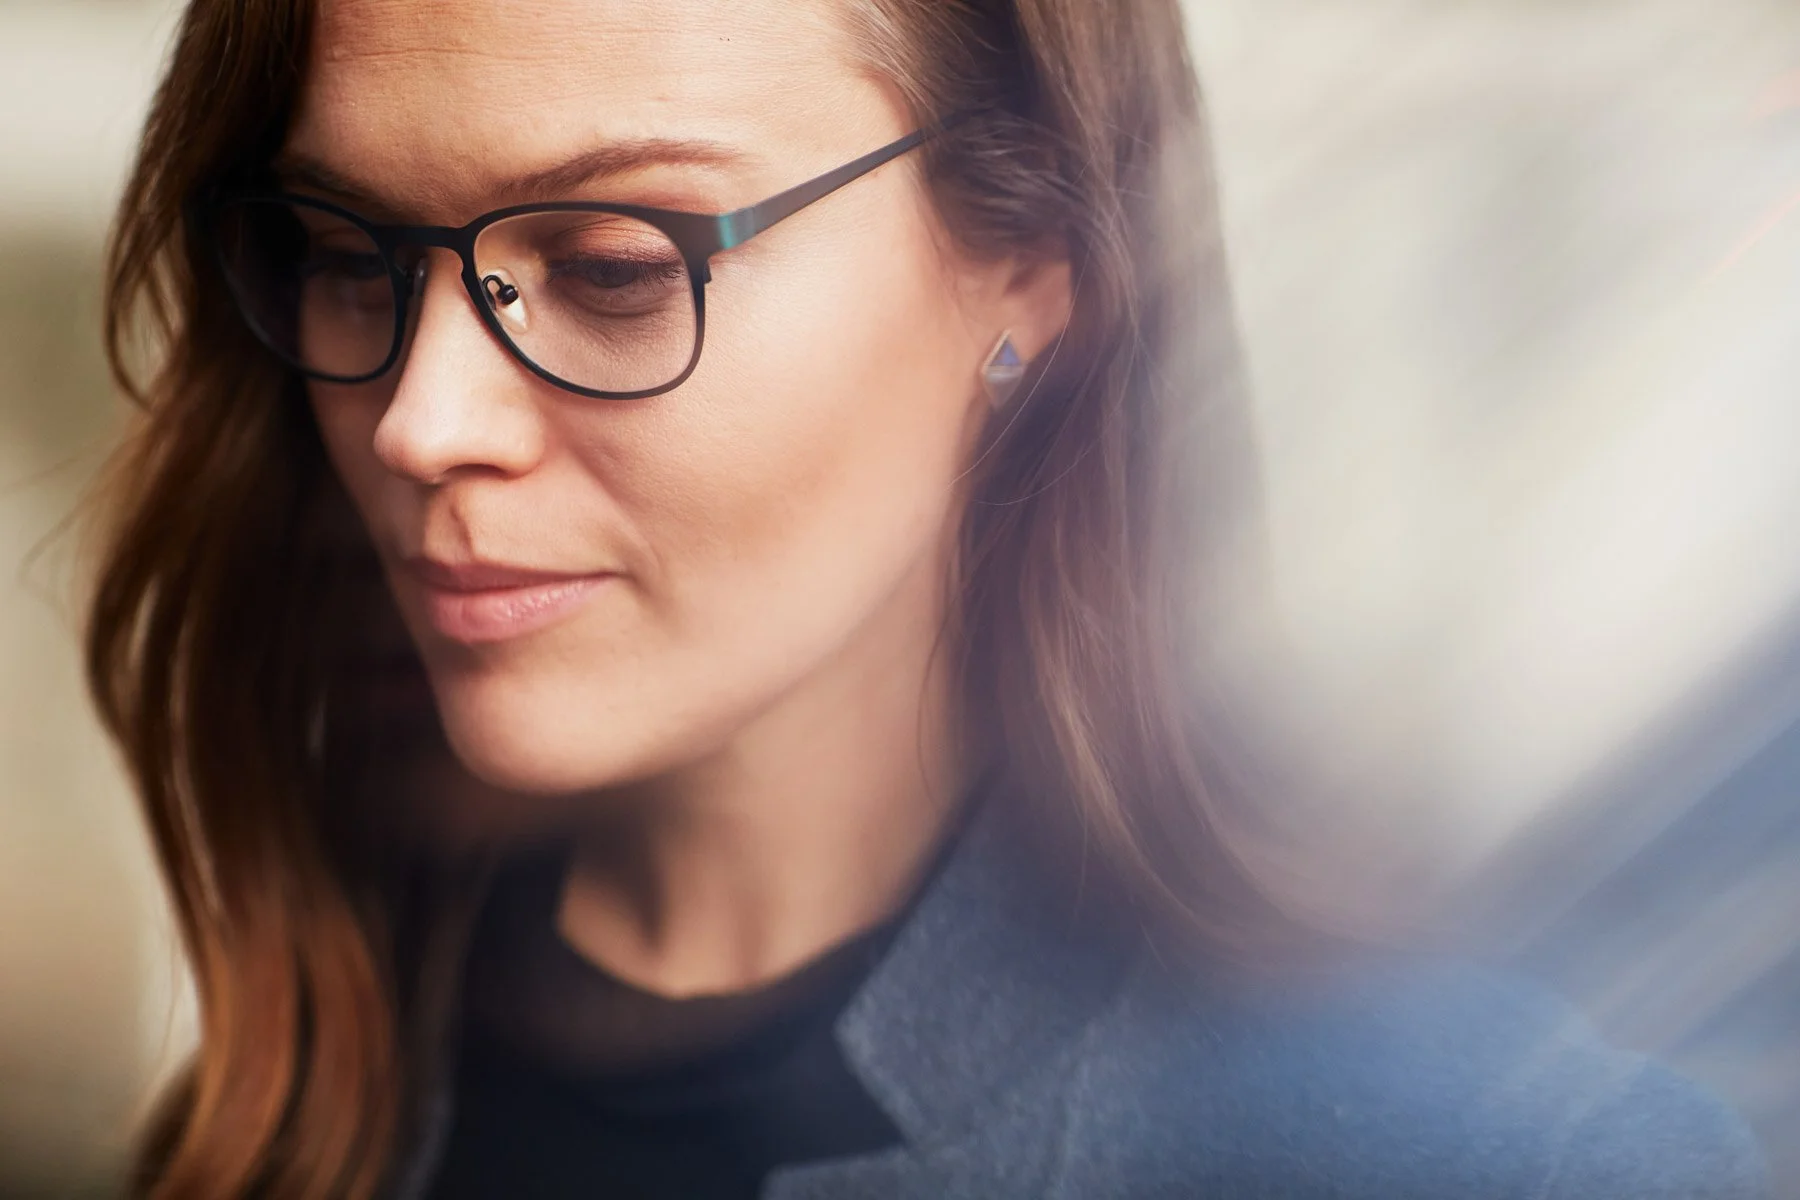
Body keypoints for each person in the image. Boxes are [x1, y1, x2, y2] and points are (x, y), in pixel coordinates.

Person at [86, 0, 1767, 1196]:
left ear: (1034, 266)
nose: (420, 423)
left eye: (615, 267)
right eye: (342, 251)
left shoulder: (1482, 1159)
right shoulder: (295, 1095)